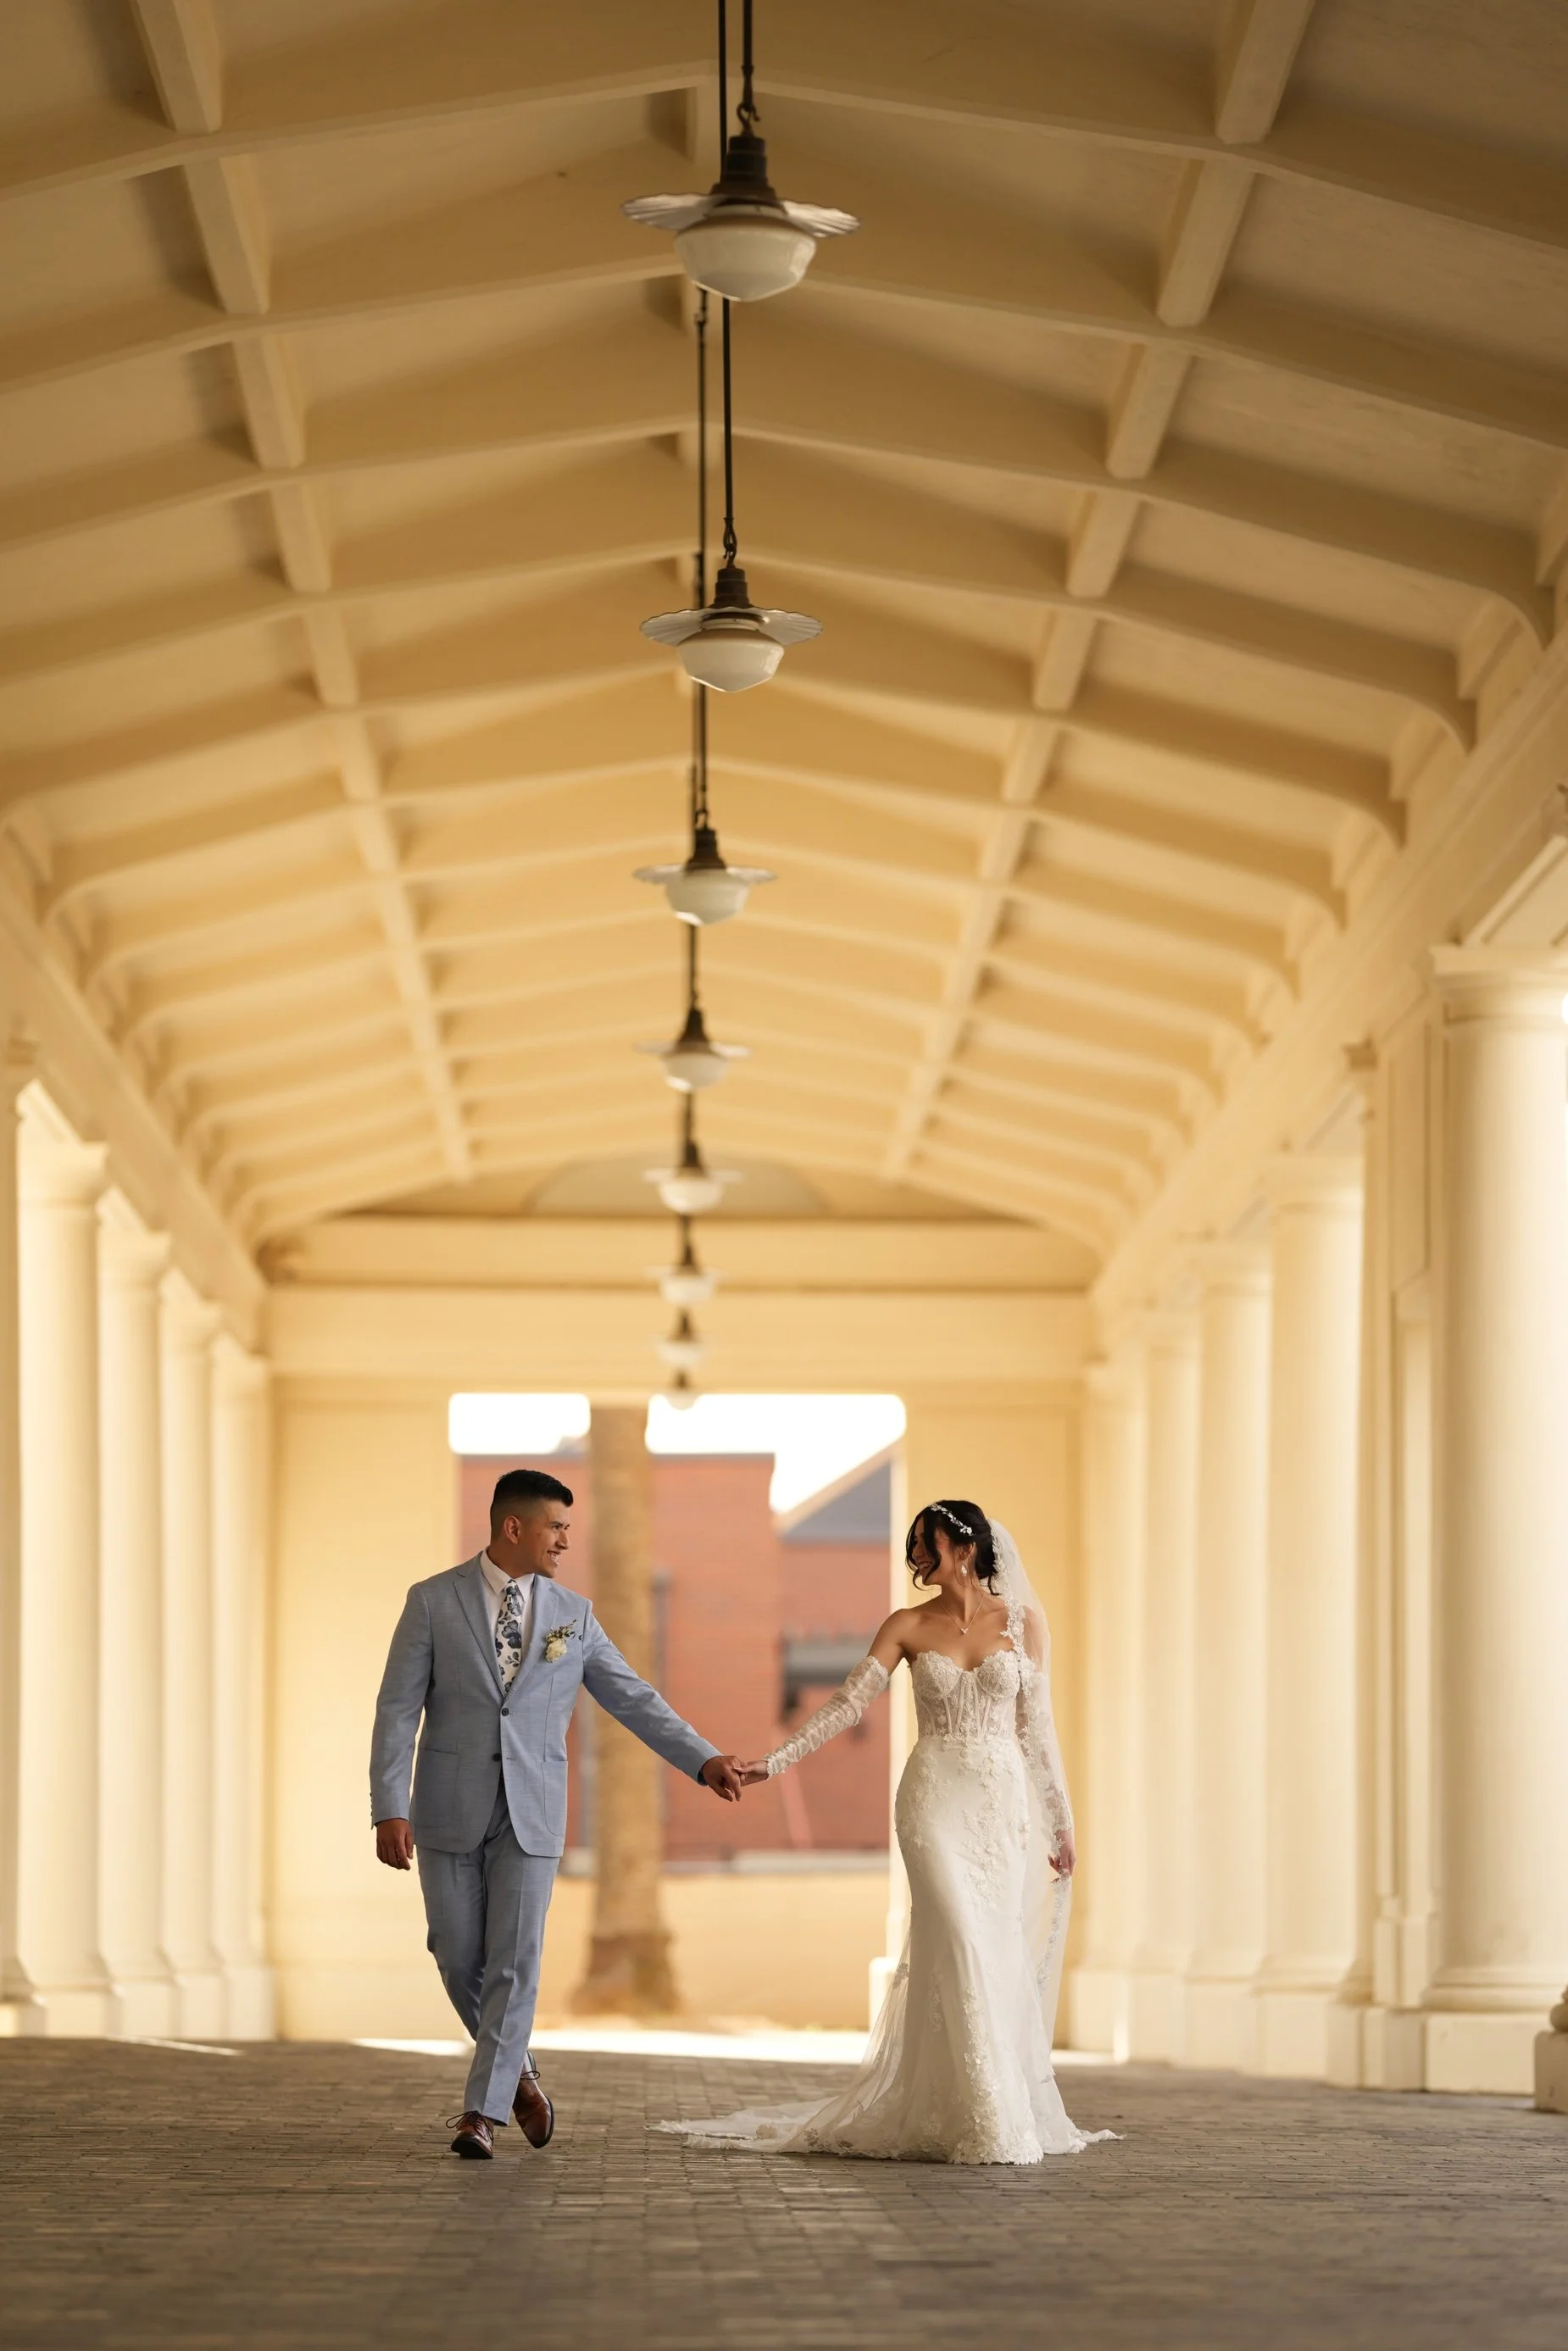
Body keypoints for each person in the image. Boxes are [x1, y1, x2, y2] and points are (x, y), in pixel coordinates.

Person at [659, 1499, 1115, 2165]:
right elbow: (847, 1705)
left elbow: (1035, 1733)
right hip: (932, 1799)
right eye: (915, 1547)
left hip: (999, 1804)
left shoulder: (1024, 1624)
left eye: (928, 1545)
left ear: (965, 1548)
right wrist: (774, 1762)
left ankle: (973, 2105)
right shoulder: (906, 1625)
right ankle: (987, 2118)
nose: (919, 1559)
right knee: (957, 1932)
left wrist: (1060, 1821)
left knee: (987, 1947)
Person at [370, 1465, 747, 2159]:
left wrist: (703, 1759)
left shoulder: (573, 1616)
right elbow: (396, 1712)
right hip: (447, 1808)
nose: (567, 1541)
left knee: (516, 1961)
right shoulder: (431, 1602)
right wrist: (389, 1807)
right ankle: (520, 2075)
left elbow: (632, 1697)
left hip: (533, 1812)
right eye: (557, 1526)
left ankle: (480, 2114)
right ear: (513, 1527)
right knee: (455, 1956)